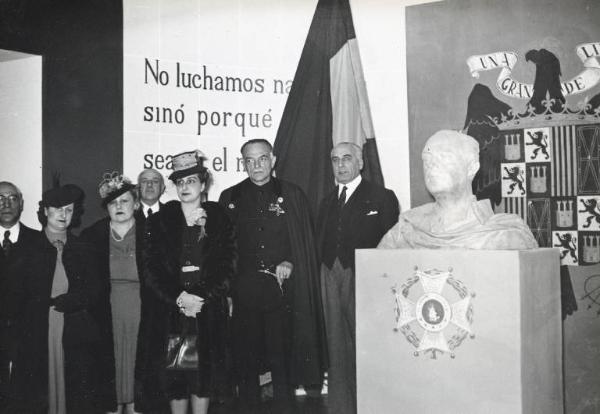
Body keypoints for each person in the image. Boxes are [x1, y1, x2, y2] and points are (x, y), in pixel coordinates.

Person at [218, 139, 325, 411]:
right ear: (243, 163)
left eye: (262, 158)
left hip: (281, 290)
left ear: (273, 160)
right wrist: (227, 291)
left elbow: (304, 243)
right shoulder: (229, 198)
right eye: (249, 160)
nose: (256, 165)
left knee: (282, 358)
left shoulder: (292, 194)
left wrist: (290, 260)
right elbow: (222, 250)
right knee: (246, 359)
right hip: (243, 291)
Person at [144, 150, 235, 414]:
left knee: (203, 378)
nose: (185, 187)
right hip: (175, 311)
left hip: (206, 311)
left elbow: (227, 266)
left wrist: (200, 297)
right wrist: (179, 298)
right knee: (178, 377)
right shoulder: (160, 220)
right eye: (180, 182)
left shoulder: (218, 218)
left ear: (203, 184)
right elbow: (152, 269)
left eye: (191, 181)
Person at [316, 142, 399, 414]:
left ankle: (372, 407)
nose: (340, 165)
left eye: (347, 158)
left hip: (364, 281)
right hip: (329, 276)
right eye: (335, 160)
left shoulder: (382, 197)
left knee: (366, 347)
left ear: (360, 163)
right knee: (335, 349)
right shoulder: (326, 201)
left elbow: (391, 247)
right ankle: (341, 408)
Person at [10, 183, 100, 413]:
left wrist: (75, 300)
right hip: (37, 330)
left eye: (69, 210)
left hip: (73, 329)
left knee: (75, 391)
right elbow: (14, 296)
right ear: (46, 211)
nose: (63, 215)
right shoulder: (26, 247)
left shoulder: (83, 247)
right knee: (37, 390)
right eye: (58, 208)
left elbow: (95, 290)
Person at [378, 130, 537, 249]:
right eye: (427, 160)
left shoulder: (506, 233)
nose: (432, 165)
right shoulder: (405, 230)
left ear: (472, 168)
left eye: (445, 157)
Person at [81, 172, 147, 414]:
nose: (119, 206)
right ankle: (114, 406)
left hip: (141, 308)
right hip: (106, 310)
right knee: (111, 358)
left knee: (137, 358)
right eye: (113, 203)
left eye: (125, 201)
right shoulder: (92, 235)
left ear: (136, 204)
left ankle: (134, 406)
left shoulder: (150, 233)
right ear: (106, 207)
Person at [0, 181, 40, 410]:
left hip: (27, 336)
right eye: (0, 198)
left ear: (21, 203)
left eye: (11, 197)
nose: (6, 203)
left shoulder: (38, 241)